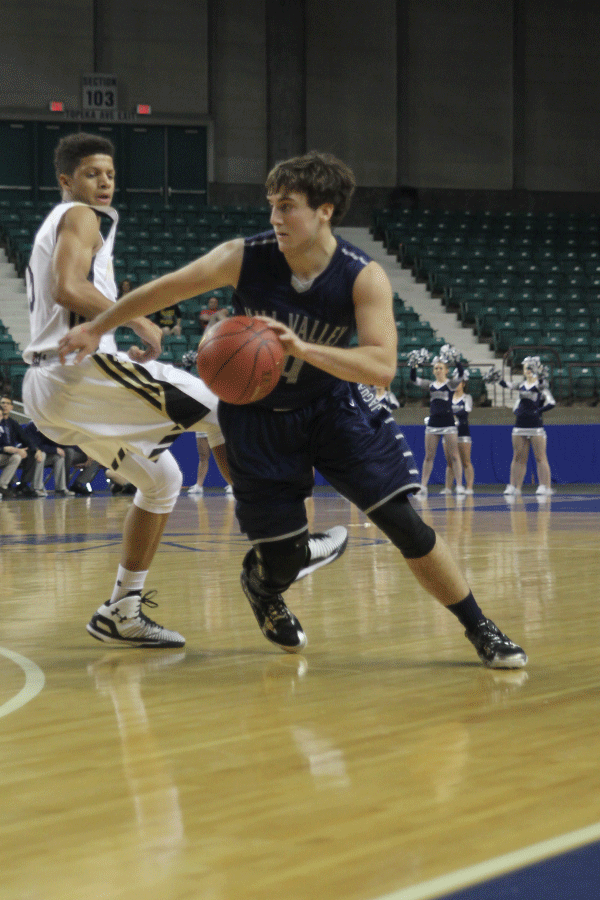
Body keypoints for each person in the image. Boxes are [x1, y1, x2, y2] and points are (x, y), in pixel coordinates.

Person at [58, 150, 527, 669]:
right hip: (256, 418)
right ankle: (264, 587)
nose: (276, 218)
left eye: (288, 207)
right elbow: (161, 290)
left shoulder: (362, 276)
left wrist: (303, 350)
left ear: (325, 210)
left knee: (404, 523)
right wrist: (97, 326)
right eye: (272, 206)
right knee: (282, 557)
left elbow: (381, 365)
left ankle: (480, 627)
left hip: (333, 407)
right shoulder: (244, 257)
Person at [22, 134, 346, 648]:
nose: (103, 182)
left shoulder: (63, 224)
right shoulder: (81, 217)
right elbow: (66, 286)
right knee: (225, 406)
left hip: (49, 390)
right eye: (90, 174)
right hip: (77, 373)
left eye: (108, 173)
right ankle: (287, 545)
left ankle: (121, 610)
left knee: (160, 482)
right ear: (67, 181)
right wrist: (139, 322)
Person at [409, 347, 465, 496]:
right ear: (433, 371)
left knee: (454, 455)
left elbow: (461, 374)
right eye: (436, 368)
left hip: (448, 422)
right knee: (429, 456)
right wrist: (414, 365)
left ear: (446, 370)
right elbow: (414, 380)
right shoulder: (430, 384)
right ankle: (423, 485)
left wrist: (457, 361)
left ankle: (459, 485)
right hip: (433, 422)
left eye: (441, 368)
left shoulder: (451, 384)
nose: (438, 370)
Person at [499, 357, 555, 497]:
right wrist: (497, 380)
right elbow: (507, 385)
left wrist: (538, 411)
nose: (528, 371)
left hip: (535, 425)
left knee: (540, 457)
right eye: (526, 368)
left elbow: (551, 402)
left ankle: (544, 486)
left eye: (531, 368)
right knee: (517, 457)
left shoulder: (540, 385)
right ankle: (513, 486)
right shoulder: (522, 385)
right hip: (520, 425)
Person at [442, 372, 475, 495]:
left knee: (466, 461)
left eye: (459, 383)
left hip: (462, 432)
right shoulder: (448, 397)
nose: (456, 385)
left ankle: (469, 487)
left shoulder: (467, 397)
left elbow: (466, 410)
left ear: (463, 384)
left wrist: (450, 414)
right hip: (449, 431)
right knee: (450, 462)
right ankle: (448, 488)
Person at [20, 420, 71, 496]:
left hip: (42, 456)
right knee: (41, 454)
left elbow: (54, 444)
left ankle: (61, 488)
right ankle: (36, 488)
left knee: (59, 457)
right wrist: (54, 449)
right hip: (29, 455)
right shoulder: (32, 426)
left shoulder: (50, 428)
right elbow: (35, 445)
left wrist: (56, 449)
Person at [0, 395, 38, 498]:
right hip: (3, 453)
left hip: (8, 454)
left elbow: (25, 438)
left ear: (12, 407)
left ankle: (23, 485)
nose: (5, 405)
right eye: (3, 403)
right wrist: (5, 449)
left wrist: (35, 449)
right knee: (16, 455)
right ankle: (7, 485)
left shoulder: (12, 423)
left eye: (7, 403)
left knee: (31, 453)